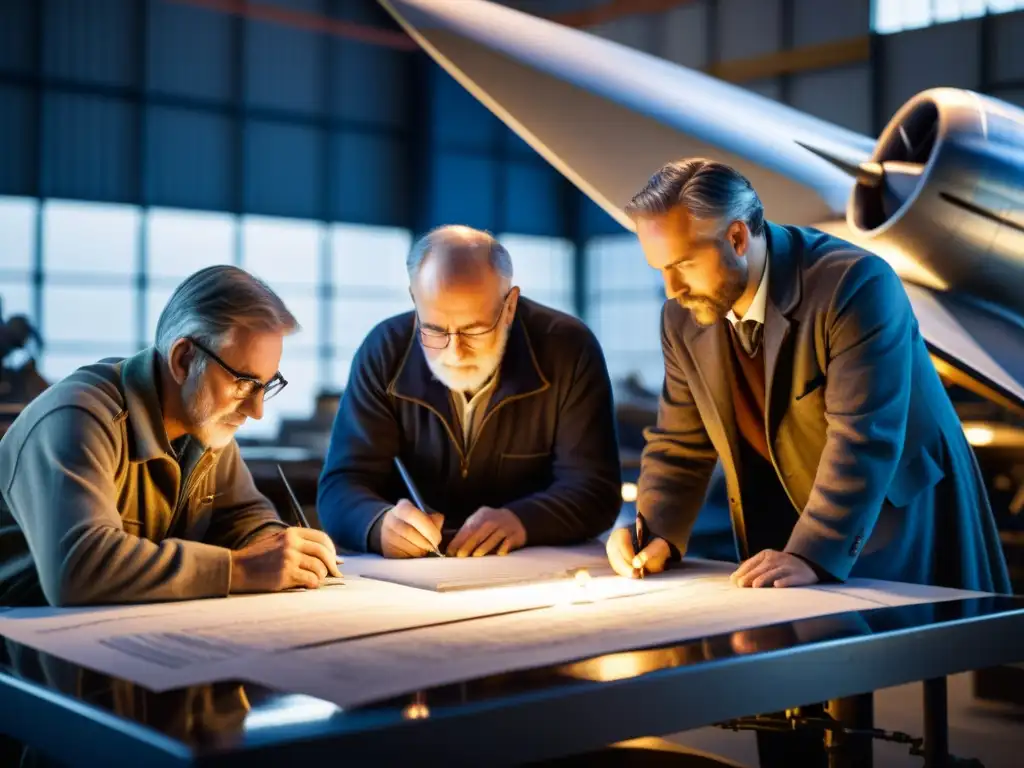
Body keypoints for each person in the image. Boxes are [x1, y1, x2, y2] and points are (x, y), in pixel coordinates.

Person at [606, 158, 1011, 595]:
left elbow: (864, 437)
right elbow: (680, 441)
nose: (671, 289)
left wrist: (813, 550)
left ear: (738, 237)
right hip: (786, 504)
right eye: (660, 269)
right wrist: (655, 532)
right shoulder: (681, 318)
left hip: (889, 507)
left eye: (683, 264)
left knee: (900, 650)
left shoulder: (855, 285)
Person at [0, 265, 341, 607]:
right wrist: (241, 569)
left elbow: (243, 517)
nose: (256, 410)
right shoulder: (77, 417)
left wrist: (281, 546)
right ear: (182, 359)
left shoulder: (207, 425)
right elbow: (78, 570)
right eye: (243, 383)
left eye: (266, 385)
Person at [318, 225, 621, 558]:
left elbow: (596, 491)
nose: (454, 352)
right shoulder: (386, 350)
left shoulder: (567, 349)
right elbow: (340, 486)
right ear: (415, 301)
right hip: (413, 572)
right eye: (433, 330)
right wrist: (376, 524)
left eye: (474, 331)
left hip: (530, 568)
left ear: (509, 306)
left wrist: (522, 521)